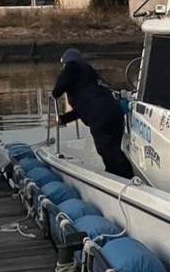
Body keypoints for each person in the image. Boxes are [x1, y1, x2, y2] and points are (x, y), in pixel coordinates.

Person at [52, 49, 134, 178]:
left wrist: (56, 90)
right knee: (113, 149)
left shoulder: (72, 68)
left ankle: (124, 180)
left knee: (107, 150)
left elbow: (57, 91)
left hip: (100, 117)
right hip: (114, 113)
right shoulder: (91, 76)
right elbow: (85, 107)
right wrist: (64, 119)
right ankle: (120, 176)